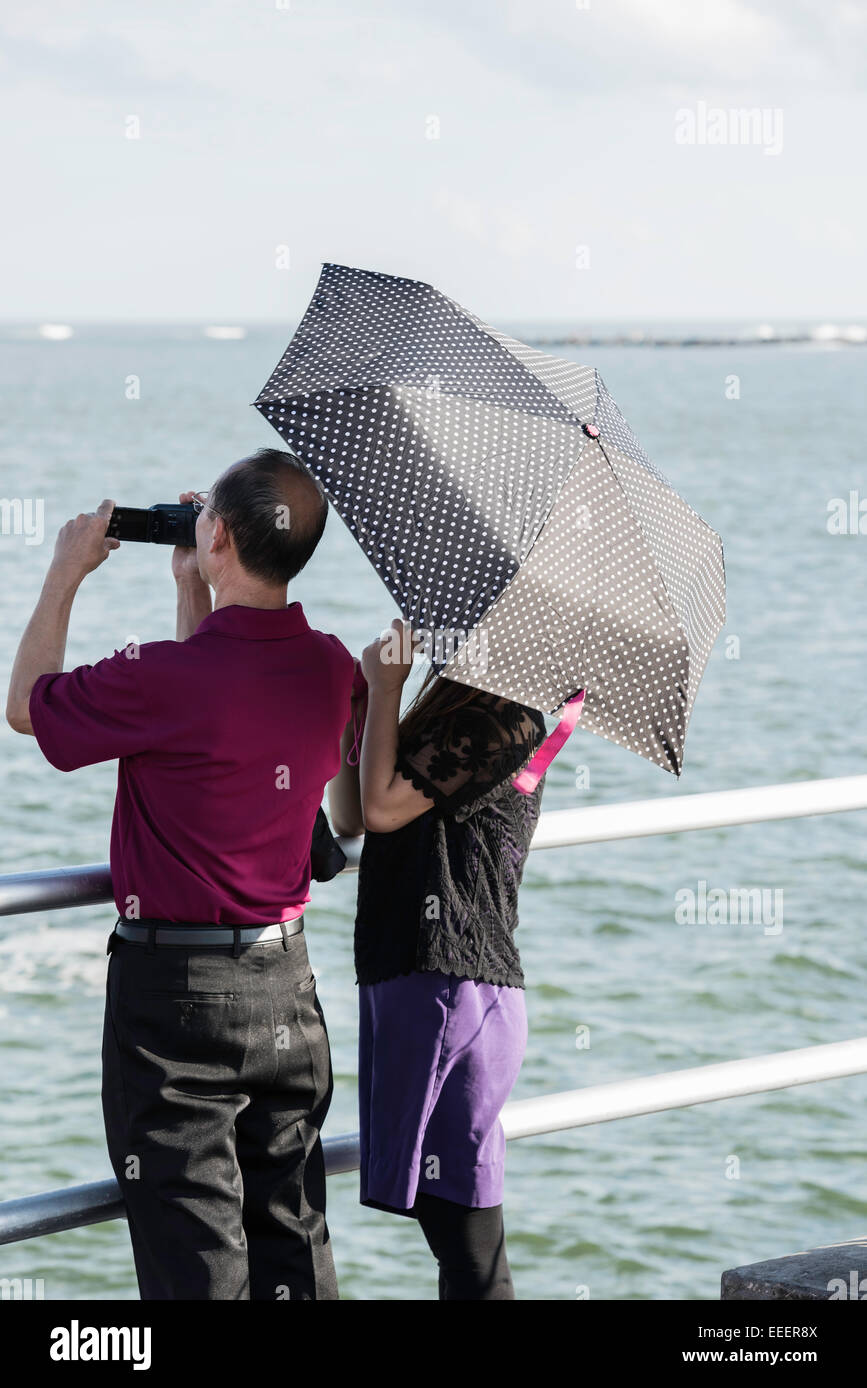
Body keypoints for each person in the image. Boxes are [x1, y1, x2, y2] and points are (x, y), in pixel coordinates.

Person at [6, 448, 356, 1301]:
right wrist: (193, 588)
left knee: (195, 1262)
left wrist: (65, 572)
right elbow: (226, 704)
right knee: (292, 1252)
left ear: (222, 536)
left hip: (174, 1005)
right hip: (288, 990)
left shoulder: (164, 678)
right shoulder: (334, 668)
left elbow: (27, 706)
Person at [327, 618, 548, 1300]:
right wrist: (362, 711)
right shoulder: (454, 701)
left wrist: (384, 686)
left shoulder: (506, 716)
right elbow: (348, 815)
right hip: (417, 977)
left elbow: (382, 808)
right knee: (454, 1234)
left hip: (455, 985)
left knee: (467, 1243)